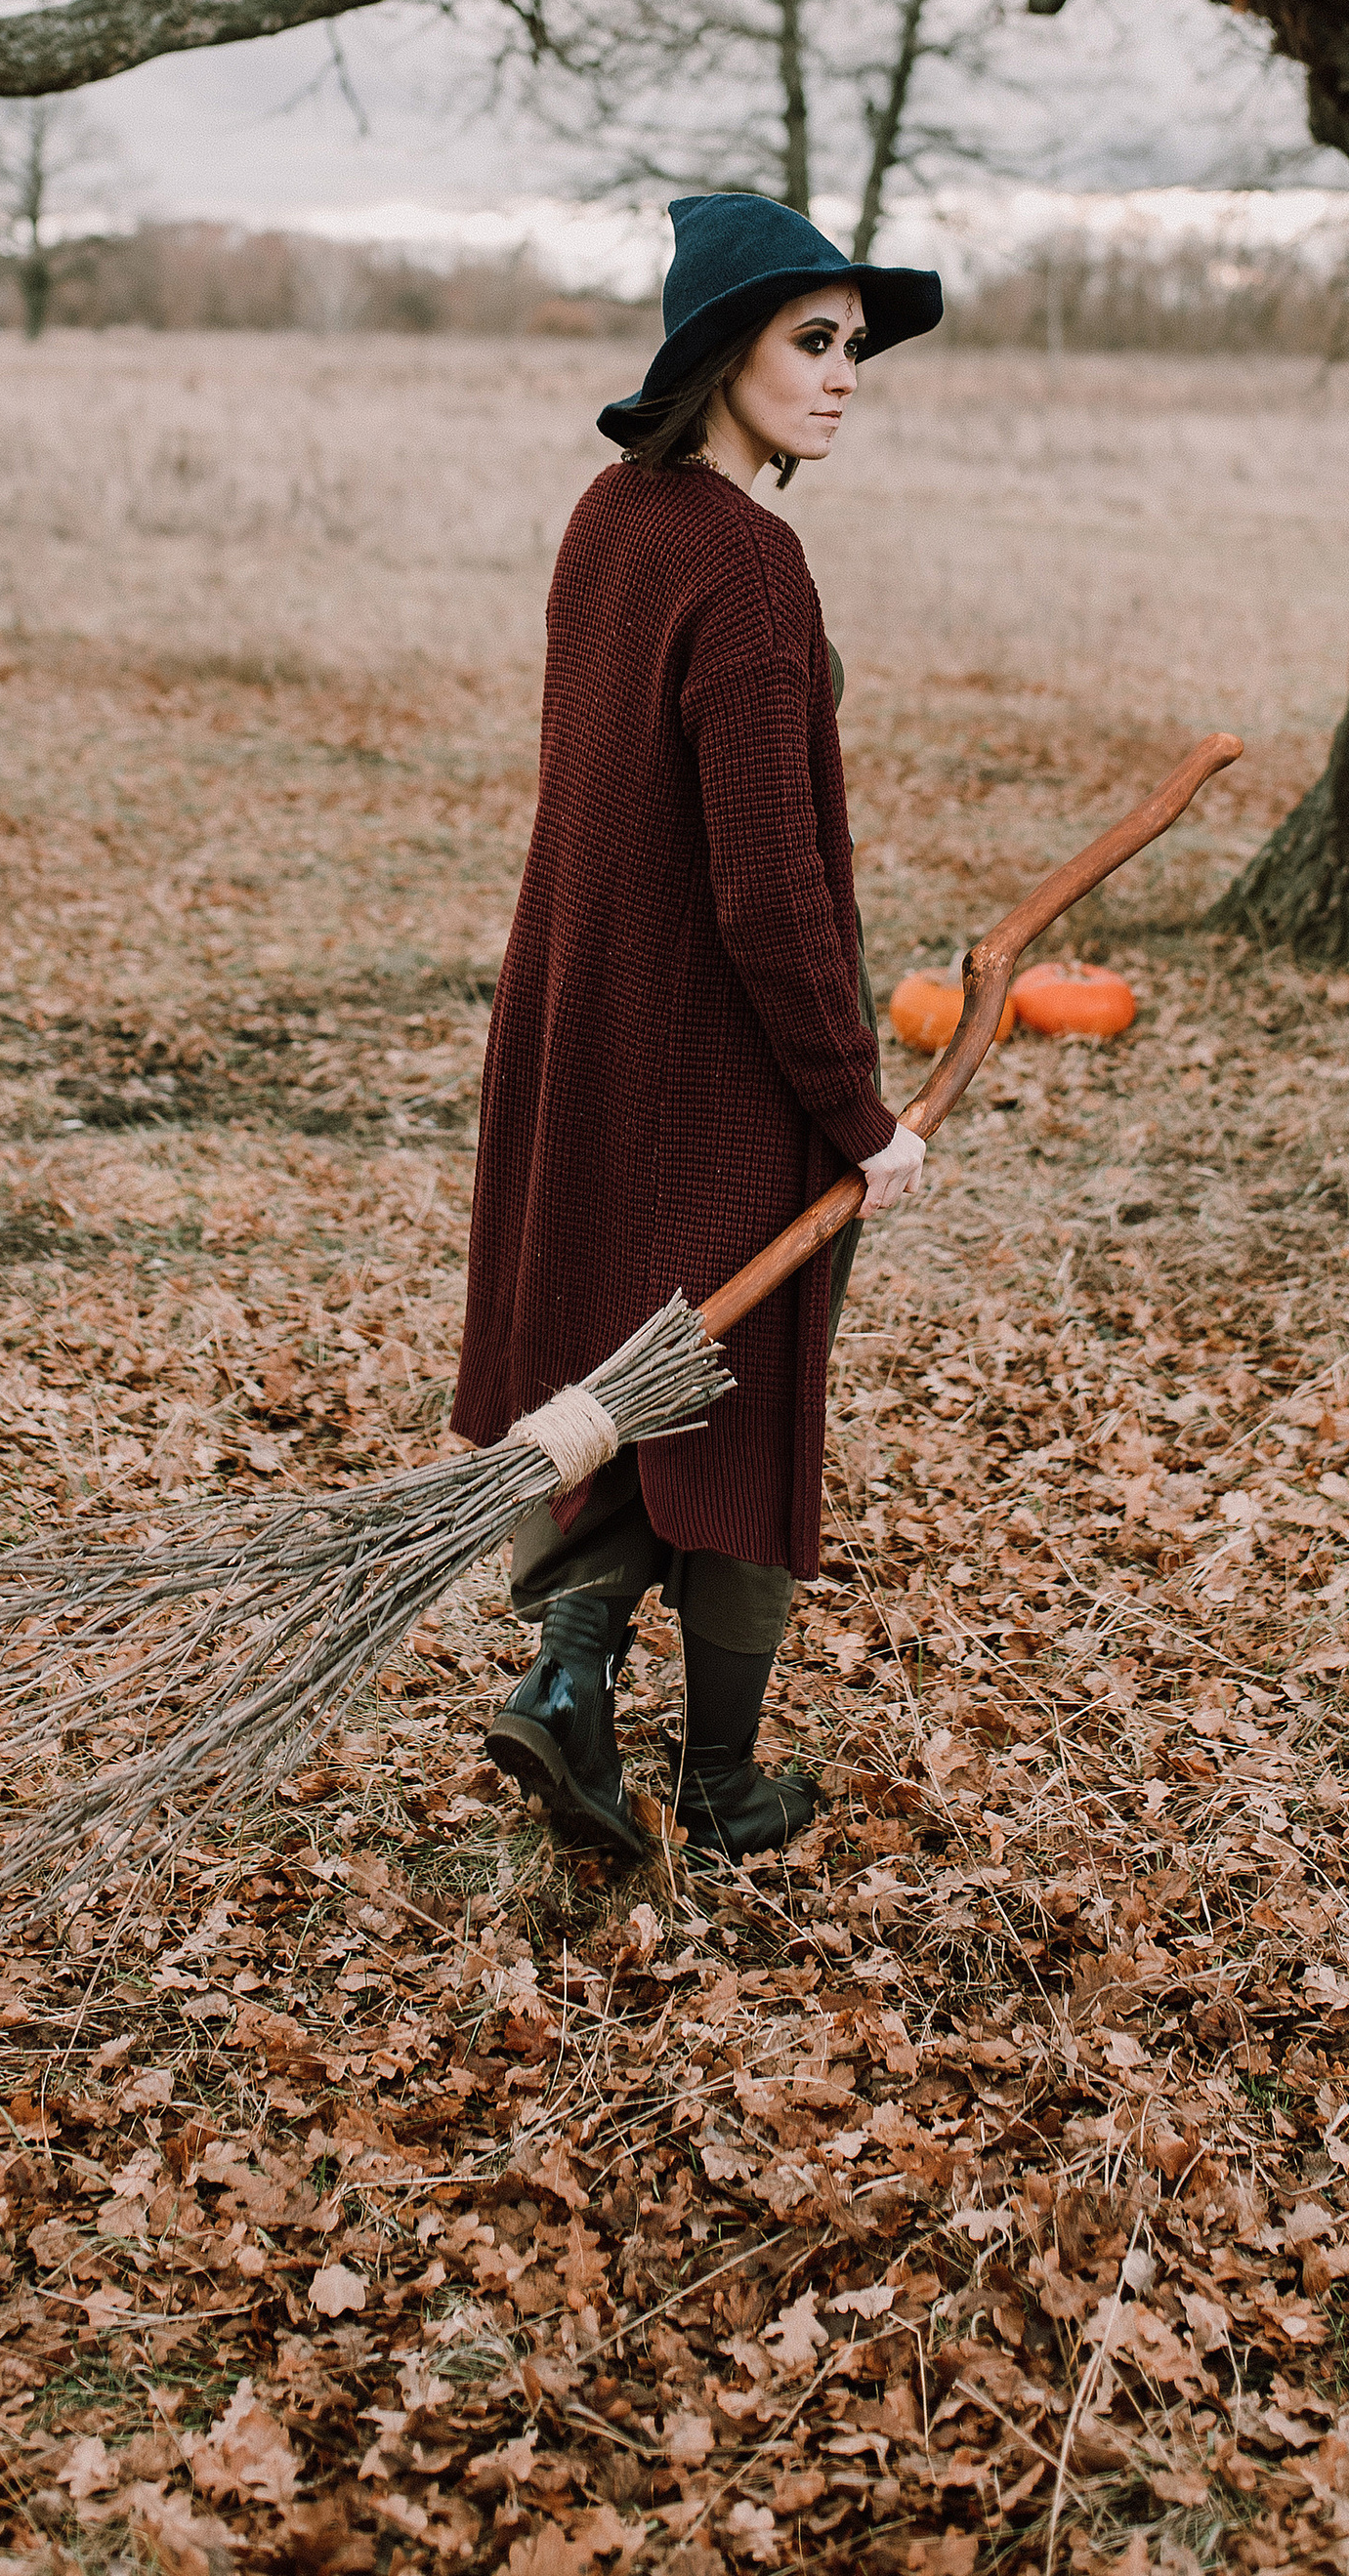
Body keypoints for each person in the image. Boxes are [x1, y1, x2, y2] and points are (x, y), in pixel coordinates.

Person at [450, 191, 944, 1862]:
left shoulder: (610, 519)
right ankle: (721, 1782)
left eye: (854, 350)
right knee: (736, 1392)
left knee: (613, 1365)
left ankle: (569, 1682)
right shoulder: (748, 565)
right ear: (718, 349)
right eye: (814, 340)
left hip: (578, 1033)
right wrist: (859, 1115)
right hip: (719, 1077)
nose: (845, 375)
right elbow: (769, 892)